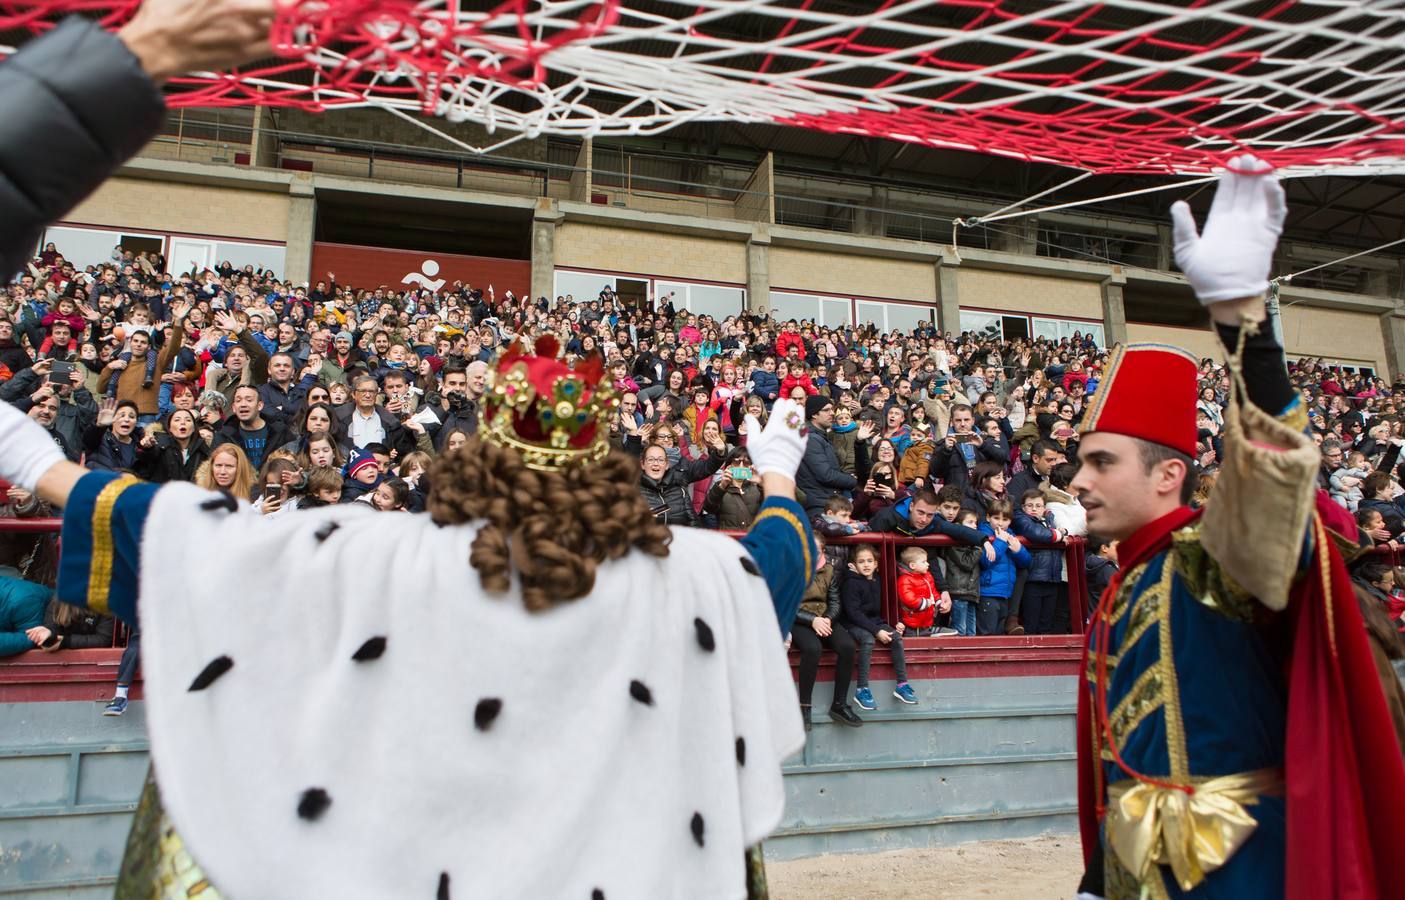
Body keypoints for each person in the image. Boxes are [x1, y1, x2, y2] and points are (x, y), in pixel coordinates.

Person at [0, 334, 819, 897]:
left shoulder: (368, 552)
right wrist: (776, 469)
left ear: (482, 456)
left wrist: (35, 459)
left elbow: (181, 534)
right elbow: (781, 553)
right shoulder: (698, 575)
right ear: (606, 467)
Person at [1071, 158, 1405, 899]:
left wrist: (1244, 329)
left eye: (1099, 461)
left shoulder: (1210, 558)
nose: (1077, 482)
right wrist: (1097, 876)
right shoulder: (1119, 585)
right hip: (1138, 870)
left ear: (1167, 475)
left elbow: (1274, 487)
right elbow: (1112, 758)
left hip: (1247, 870)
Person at [840, 543, 918, 709]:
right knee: (868, 640)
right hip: (852, 623)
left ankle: (902, 685)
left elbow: (884, 606)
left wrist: (896, 622)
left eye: (870, 561)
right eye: (861, 562)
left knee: (896, 638)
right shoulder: (850, 583)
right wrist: (877, 631)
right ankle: (862, 688)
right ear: (853, 564)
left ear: (876, 564)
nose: (866, 564)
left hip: (873, 621)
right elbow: (854, 614)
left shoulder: (876, 581)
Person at [1012, 490, 1066, 635]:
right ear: (1023, 507)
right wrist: (1059, 534)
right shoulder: (1021, 518)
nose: (1034, 509)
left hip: (1052, 578)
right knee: (1031, 623)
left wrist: (1057, 533)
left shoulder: (1049, 520)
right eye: (1030, 505)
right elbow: (1036, 533)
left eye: (1038, 505)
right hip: (1033, 578)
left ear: (1044, 508)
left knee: (1046, 624)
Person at [796, 395, 858, 518]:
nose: (832, 413)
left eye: (832, 409)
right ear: (814, 414)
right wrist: (851, 480)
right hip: (819, 504)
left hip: (825, 501)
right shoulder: (811, 438)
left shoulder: (820, 436)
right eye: (826, 410)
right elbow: (825, 475)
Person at [976, 499, 1030, 636]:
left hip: (1005, 594)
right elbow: (986, 561)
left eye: (1005, 519)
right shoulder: (982, 534)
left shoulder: (1010, 535)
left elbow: (1026, 563)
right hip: (988, 593)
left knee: (999, 635)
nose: (1000, 523)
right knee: (987, 635)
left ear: (1010, 521)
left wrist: (1018, 551)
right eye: (996, 518)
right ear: (988, 517)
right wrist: (1000, 541)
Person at [941, 507, 988, 636]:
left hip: (971, 593)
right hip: (958, 592)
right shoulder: (954, 544)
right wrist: (979, 546)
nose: (974, 526)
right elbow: (966, 563)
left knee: (971, 632)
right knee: (960, 630)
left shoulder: (970, 544)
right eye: (970, 522)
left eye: (976, 523)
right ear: (958, 525)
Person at [896, 545, 953, 637]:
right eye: (924, 562)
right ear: (912, 565)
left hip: (926, 620)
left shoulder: (927, 576)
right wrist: (925, 603)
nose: (928, 564)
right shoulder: (905, 579)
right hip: (911, 621)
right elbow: (908, 598)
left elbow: (933, 592)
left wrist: (939, 602)